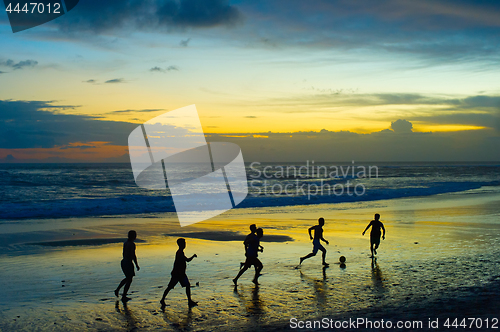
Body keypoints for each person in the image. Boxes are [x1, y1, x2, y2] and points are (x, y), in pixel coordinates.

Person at [160, 238, 198, 308]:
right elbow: (187, 260)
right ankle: (162, 299)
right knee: (170, 287)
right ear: (181, 244)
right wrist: (193, 256)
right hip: (178, 274)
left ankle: (189, 301)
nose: (185, 244)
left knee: (186, 286)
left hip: (180, 273)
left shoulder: (180, 252)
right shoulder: (179, 253)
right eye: (184, 243)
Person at [115, 230, 140, 301]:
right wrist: (136, 264)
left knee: (128, 278)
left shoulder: (126, 243)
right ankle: (123, 295)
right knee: (129, 279)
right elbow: (133, 255)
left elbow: (123, 253)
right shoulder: (132, 244)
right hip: (128, 262)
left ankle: (119, 291)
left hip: (124, 261)